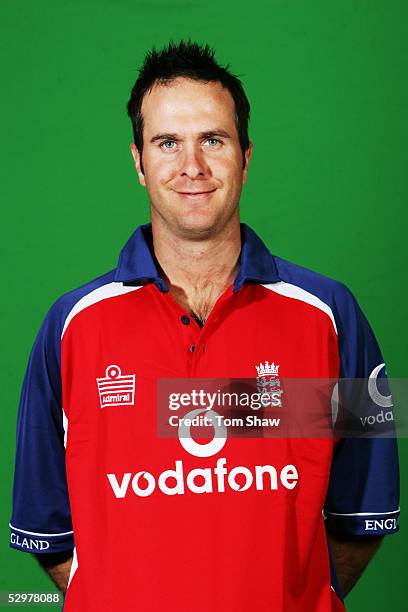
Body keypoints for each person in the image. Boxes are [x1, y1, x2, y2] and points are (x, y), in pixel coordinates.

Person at [9, 40, 400, 611]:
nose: (191, 166)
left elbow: (364, 514)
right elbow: (46, 525)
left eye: (212, 140)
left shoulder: (333, 314)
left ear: (245, 155)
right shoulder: (69, 325)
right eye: (168, 143)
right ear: (139, 163)